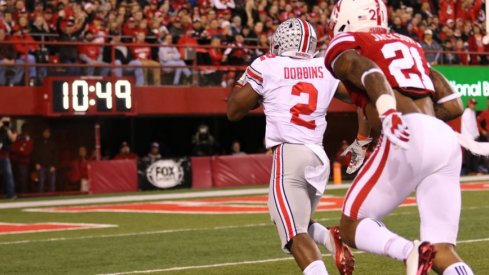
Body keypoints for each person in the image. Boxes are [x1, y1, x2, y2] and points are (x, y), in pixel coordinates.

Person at [325, 1, 473, 274]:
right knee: (443, 248)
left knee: (350, 226)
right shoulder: (409, 43)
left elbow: (368, 70)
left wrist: (389, 110)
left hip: (406, 132)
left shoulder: (351, 42)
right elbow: (453, 105)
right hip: (444, 138)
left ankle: (409, 251)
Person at [227, 18, 355, 275]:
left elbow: (233, 110)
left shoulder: (268, 65)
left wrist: (250, 88)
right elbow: (357, 96)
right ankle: (330, 238)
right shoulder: (323, 66)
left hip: (289, 155)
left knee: (294, 234)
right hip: (319, 158)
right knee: (291, 219)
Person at [32, 127, 58, 193]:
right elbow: (34, 154)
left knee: (52, 185)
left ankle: (52, 199)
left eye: (48, 132)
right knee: (41, 184)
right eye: (45, 132)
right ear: (42, 133)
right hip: (41, 166)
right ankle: (40, 199)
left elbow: (56, 156)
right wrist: (36, 163)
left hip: (50, 167)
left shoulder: (53, 144)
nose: (46, 134)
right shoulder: (38, 143)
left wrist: (54, 166)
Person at [10, 123, 33, 194]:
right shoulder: (18, 138)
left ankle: (24, 193)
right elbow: (13, 148)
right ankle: (18, 192)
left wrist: (21, 151)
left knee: (24, 179)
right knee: (17, 179)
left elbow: (28, 151)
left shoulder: (29, 139)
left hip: (25, 162)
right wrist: (20, 150)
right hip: (16, 162)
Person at [461, 98, 481, 175]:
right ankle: (469, 171)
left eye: (474, 104)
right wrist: (472, 138)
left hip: (473, 136)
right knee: (469, 155)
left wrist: (477, 135)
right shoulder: (466, 113)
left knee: (475, 154)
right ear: (469, 104)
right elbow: (468, 127)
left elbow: (474, 125)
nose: (474, 105)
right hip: (469, 137)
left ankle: (474, 170)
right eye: (472, 104)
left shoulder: (472, 112)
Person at [0, 117, 17, 199]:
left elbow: (13, 139)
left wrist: (7, 129)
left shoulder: (10, 129)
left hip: (5, 156)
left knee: (8, 175)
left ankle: (11, 194)